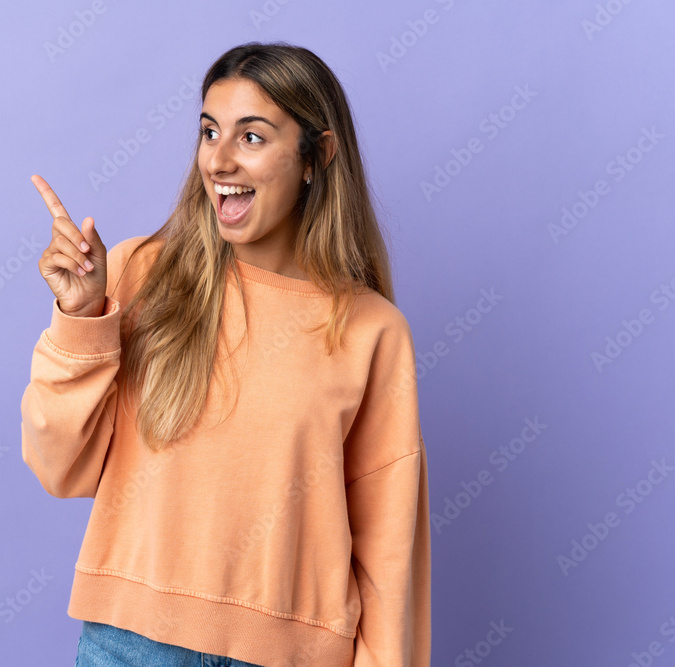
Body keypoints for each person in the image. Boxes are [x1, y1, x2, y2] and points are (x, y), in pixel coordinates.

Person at [22, 41, 430, 667]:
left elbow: (387, 556)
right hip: (130, 648)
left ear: (317, 157)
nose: (219, 160)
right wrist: (80, 318)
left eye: (252, 137)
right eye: (209, 132)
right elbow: (61, 468)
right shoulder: (139, 275)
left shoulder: (372, 331)